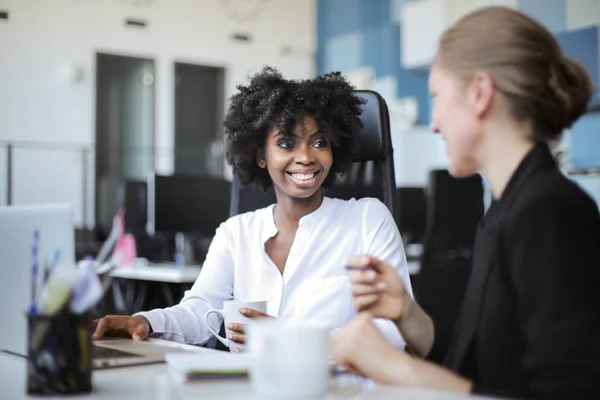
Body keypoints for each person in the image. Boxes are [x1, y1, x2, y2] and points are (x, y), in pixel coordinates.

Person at [331, 6, 600, 399]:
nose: (435, 122)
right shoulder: (506, 210)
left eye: (437, 96)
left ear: (479, 93)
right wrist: (405, 311)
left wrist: (392, 365)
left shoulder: (547, 212)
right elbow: (473, 369)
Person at [93, 67, 413, 351]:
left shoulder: (367, 219)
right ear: (260, 155)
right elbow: (199, 309)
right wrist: (144, 322)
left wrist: (292, 339)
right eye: (287, 143)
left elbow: (394, 329)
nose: (305, 157)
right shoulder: (236, 232)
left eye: (319, 142)